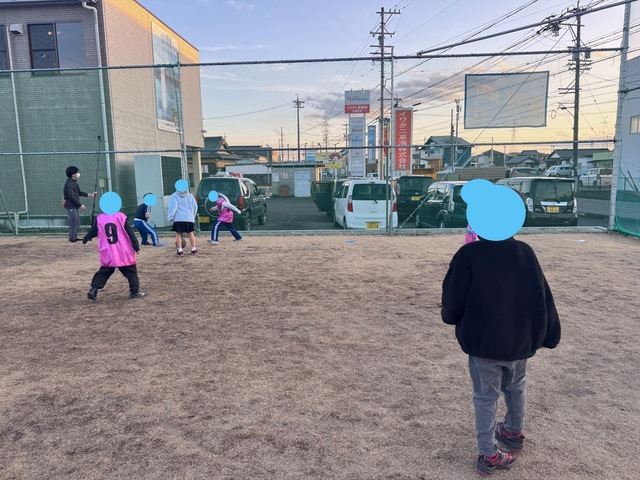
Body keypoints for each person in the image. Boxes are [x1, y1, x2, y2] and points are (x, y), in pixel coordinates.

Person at [441, 179, 561, 475]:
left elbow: (453, 299)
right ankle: (513, 431)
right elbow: (542, 295)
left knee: (485, 397)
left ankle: (488, 453)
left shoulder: (468, 255)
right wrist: (548, 333)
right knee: (516, 387)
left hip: (484, 344)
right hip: (519, 342)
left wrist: (450, 315)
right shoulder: (525, 252)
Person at [82, 192, 145, 301]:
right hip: (123, 251)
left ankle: (94, 289)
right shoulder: (121, 217)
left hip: (108, 251)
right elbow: (130, 233)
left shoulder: (100, 218)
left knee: (104, 271)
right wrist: (136, 247)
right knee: (131, 272)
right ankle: (134, 292)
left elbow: (93, 231)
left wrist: (86, 238)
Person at [63, 166, 96, 243]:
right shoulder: (70, 183)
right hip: (71, 206)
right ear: (72, 174)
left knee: (76, 221)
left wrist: (90, 195)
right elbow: (71, 196)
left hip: (74, 206)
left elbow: (79, 192)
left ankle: (74, 236)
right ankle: (72, 238)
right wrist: (80, 205)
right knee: (73, 221)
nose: (78, 174)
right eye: (76, 172)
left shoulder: (73, 183)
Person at [167, 181, 198, 256]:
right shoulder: (190, 196)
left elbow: (173, 207)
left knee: (178, 234)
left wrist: (170, 217)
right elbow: (195, 207)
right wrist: (192, 217)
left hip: (179, 218)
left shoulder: (174, 195)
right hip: (189, 218)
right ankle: (194, 249)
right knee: (190, 233)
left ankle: (180, 250)